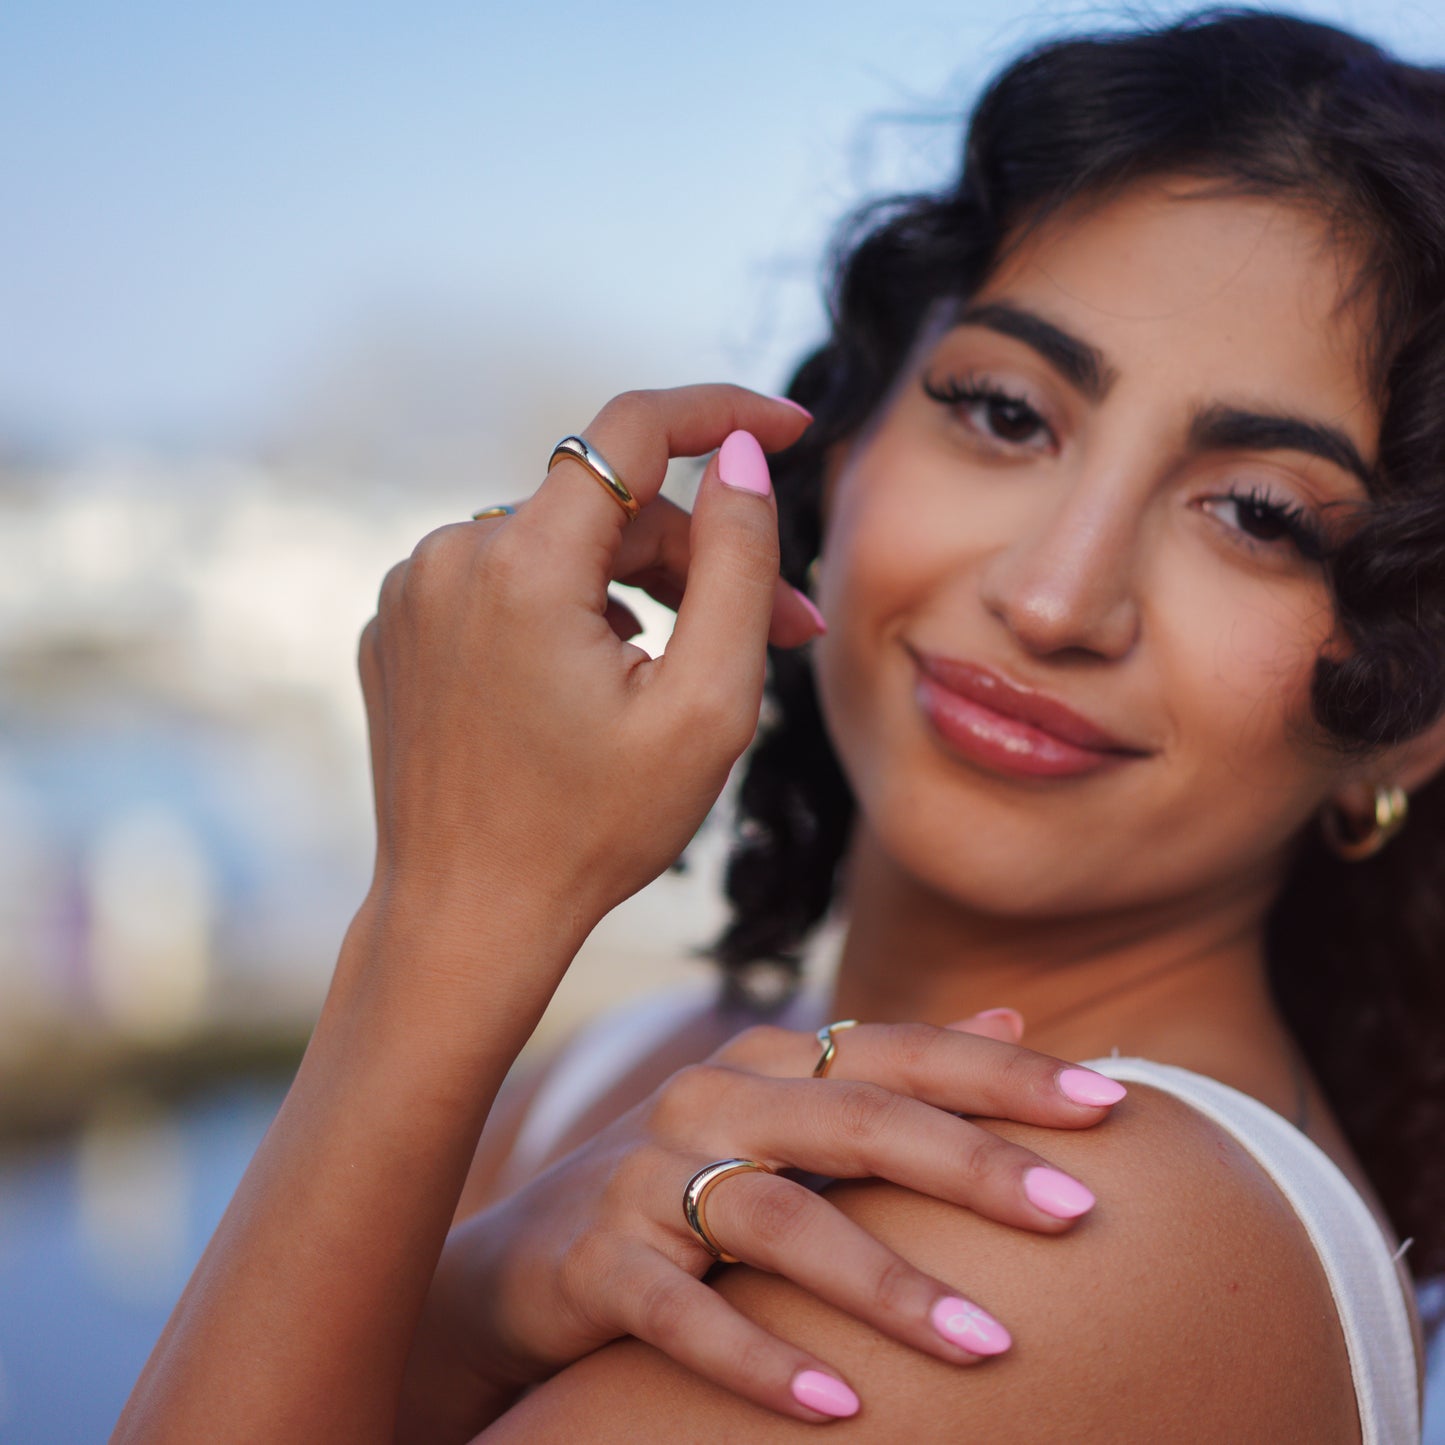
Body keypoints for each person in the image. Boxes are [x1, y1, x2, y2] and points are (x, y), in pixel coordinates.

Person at [115, 9, 1443, 1442]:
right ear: (845, 453)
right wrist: (467, 1309)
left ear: (1412, 718)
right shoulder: (631, 1079)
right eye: (1005, 414)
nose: (1055, 595)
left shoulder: (1112, 1228)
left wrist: (446, 919)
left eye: (1259, 515)